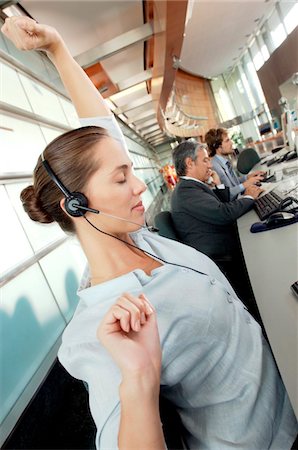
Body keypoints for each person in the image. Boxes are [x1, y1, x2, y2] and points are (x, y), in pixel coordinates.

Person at [2, 17, 297, 450]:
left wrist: (58, 49)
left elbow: (103, 131)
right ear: (77, 205)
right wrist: (138, 381)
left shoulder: (141, 240)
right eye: (121, 179)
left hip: (285, 389)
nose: (140, 185)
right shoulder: (100, 329)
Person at [170, 140, 262, 316]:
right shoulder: (186, 192)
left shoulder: (192, 187)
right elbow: (223, 213)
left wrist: (218, 184)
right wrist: (249, 197)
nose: (210, 165)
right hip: (221, 257)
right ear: (190, 163)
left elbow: (220, 205)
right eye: (205, 160)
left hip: (221, 246)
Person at [205, 128, 265, 200]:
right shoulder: (215, 166)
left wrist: (247, 177)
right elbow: (227, 194)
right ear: (218, 147)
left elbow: (233, 183)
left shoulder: (223, 161)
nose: (231, 143)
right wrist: (246, 184)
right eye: (227, 141)